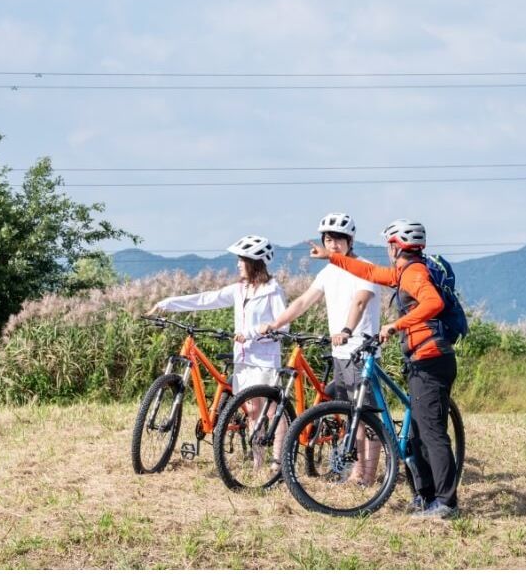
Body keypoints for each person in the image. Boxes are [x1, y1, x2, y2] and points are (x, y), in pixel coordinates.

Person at [309, 218, 459, 518]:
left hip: (431, 359)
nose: (386, 250)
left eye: (388, 245)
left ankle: (446, 503)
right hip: (420, 360)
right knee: (416, 435)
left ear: (395, 246)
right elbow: (369, 272)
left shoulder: (414, 274)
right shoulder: (404, 272)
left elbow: (432, 303)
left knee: (431, 434)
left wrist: (395, 325)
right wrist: (333, 257)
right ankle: (424, 496)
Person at [259, 213, 382, 487]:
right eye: (329, 239)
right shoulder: (328, 272)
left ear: (350, 241)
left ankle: (369, 476)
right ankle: (356, 472)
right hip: (341, 354)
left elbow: (360, 302)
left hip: (362, 352)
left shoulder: (366, 268)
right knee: (353, 415)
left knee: (368, 415)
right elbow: (303, 301)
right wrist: (275, 324)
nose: (333, 244)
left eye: (338, 239)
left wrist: (347, 331)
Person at [146, 234, 288, 469]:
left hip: (265, 359)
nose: (238, 264)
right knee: (252, 411)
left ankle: (278, 463)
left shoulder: (273, 290)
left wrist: (253, 332)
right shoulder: (239, 290)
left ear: (254, 262)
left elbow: (283, 326)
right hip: (243, 358)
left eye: (241, 260)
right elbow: (205, 299)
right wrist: (167, 303)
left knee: (272, 410)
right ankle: (257, 462)